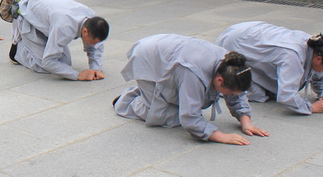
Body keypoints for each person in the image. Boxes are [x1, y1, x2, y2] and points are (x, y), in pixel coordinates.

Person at [113, 34, 270, 145]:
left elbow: (237, 94)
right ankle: (126, 101)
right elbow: (189, 118)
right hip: (148, 56)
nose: (230, 96)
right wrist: (218, 135)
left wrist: (245, 121)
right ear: (220, 80)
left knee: (180, 104)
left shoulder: (232, 64)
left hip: (170, 53)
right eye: (228, 93)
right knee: (166, 117)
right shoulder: (193, 73)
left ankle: (149, 94)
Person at [215, 21, 323, 115]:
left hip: (252, 33)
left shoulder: (317, 47)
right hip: (237, 39)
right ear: (318, 59)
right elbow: (286, 95)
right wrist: (311, 107)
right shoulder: (292, 55)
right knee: (250, 90)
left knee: (268, 87)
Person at [2, 0, 108, 81]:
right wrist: (77, 75)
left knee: (64, 64)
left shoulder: (93, 19)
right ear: (85, 31)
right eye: (93, 42)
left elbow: (96, 46)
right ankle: (17, 51)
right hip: (27, 18)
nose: (94, 45)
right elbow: (48, 62)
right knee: (44, 67)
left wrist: (96, 69)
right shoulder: (65, 27)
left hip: (48, 20)